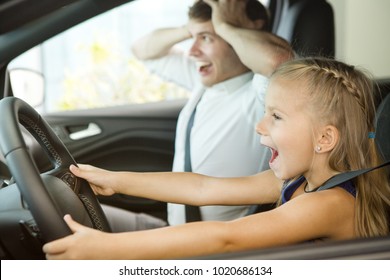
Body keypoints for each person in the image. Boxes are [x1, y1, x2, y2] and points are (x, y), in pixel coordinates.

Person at [43, 57, 390, 259]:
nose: (259, 127)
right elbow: (203, 187)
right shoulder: (298, 182)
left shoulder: (329, 204)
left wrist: (108, 249)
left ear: (324, 139)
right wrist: (117, 180)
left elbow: (227, 238)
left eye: (276, 117)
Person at [102, 0, 293, 230]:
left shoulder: (260, 95)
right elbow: (142, 50)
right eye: (194, 38)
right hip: (171, 229)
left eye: (206, 38)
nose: (192, 51)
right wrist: (192, 28)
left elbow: (278, 61)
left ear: (244, 32)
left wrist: (225, 26)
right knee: (72, 208)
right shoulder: (203, 83)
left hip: (210, 247)